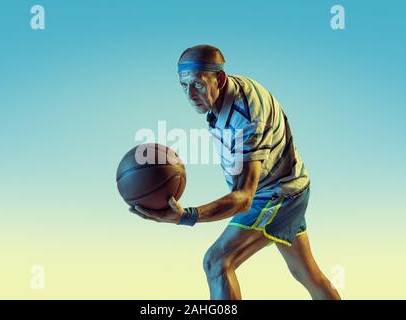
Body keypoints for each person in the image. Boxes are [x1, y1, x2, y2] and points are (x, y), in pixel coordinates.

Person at [130, 45, 341, 300]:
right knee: (306, 273)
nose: (190, 94)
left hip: (278, 196)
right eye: (184, 86)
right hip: (291, 187)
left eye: (197, 84)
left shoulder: (247, 119)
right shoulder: (229, 92)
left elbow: (244, 199)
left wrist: (185, 216)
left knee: (217, 262)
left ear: (219, 78)